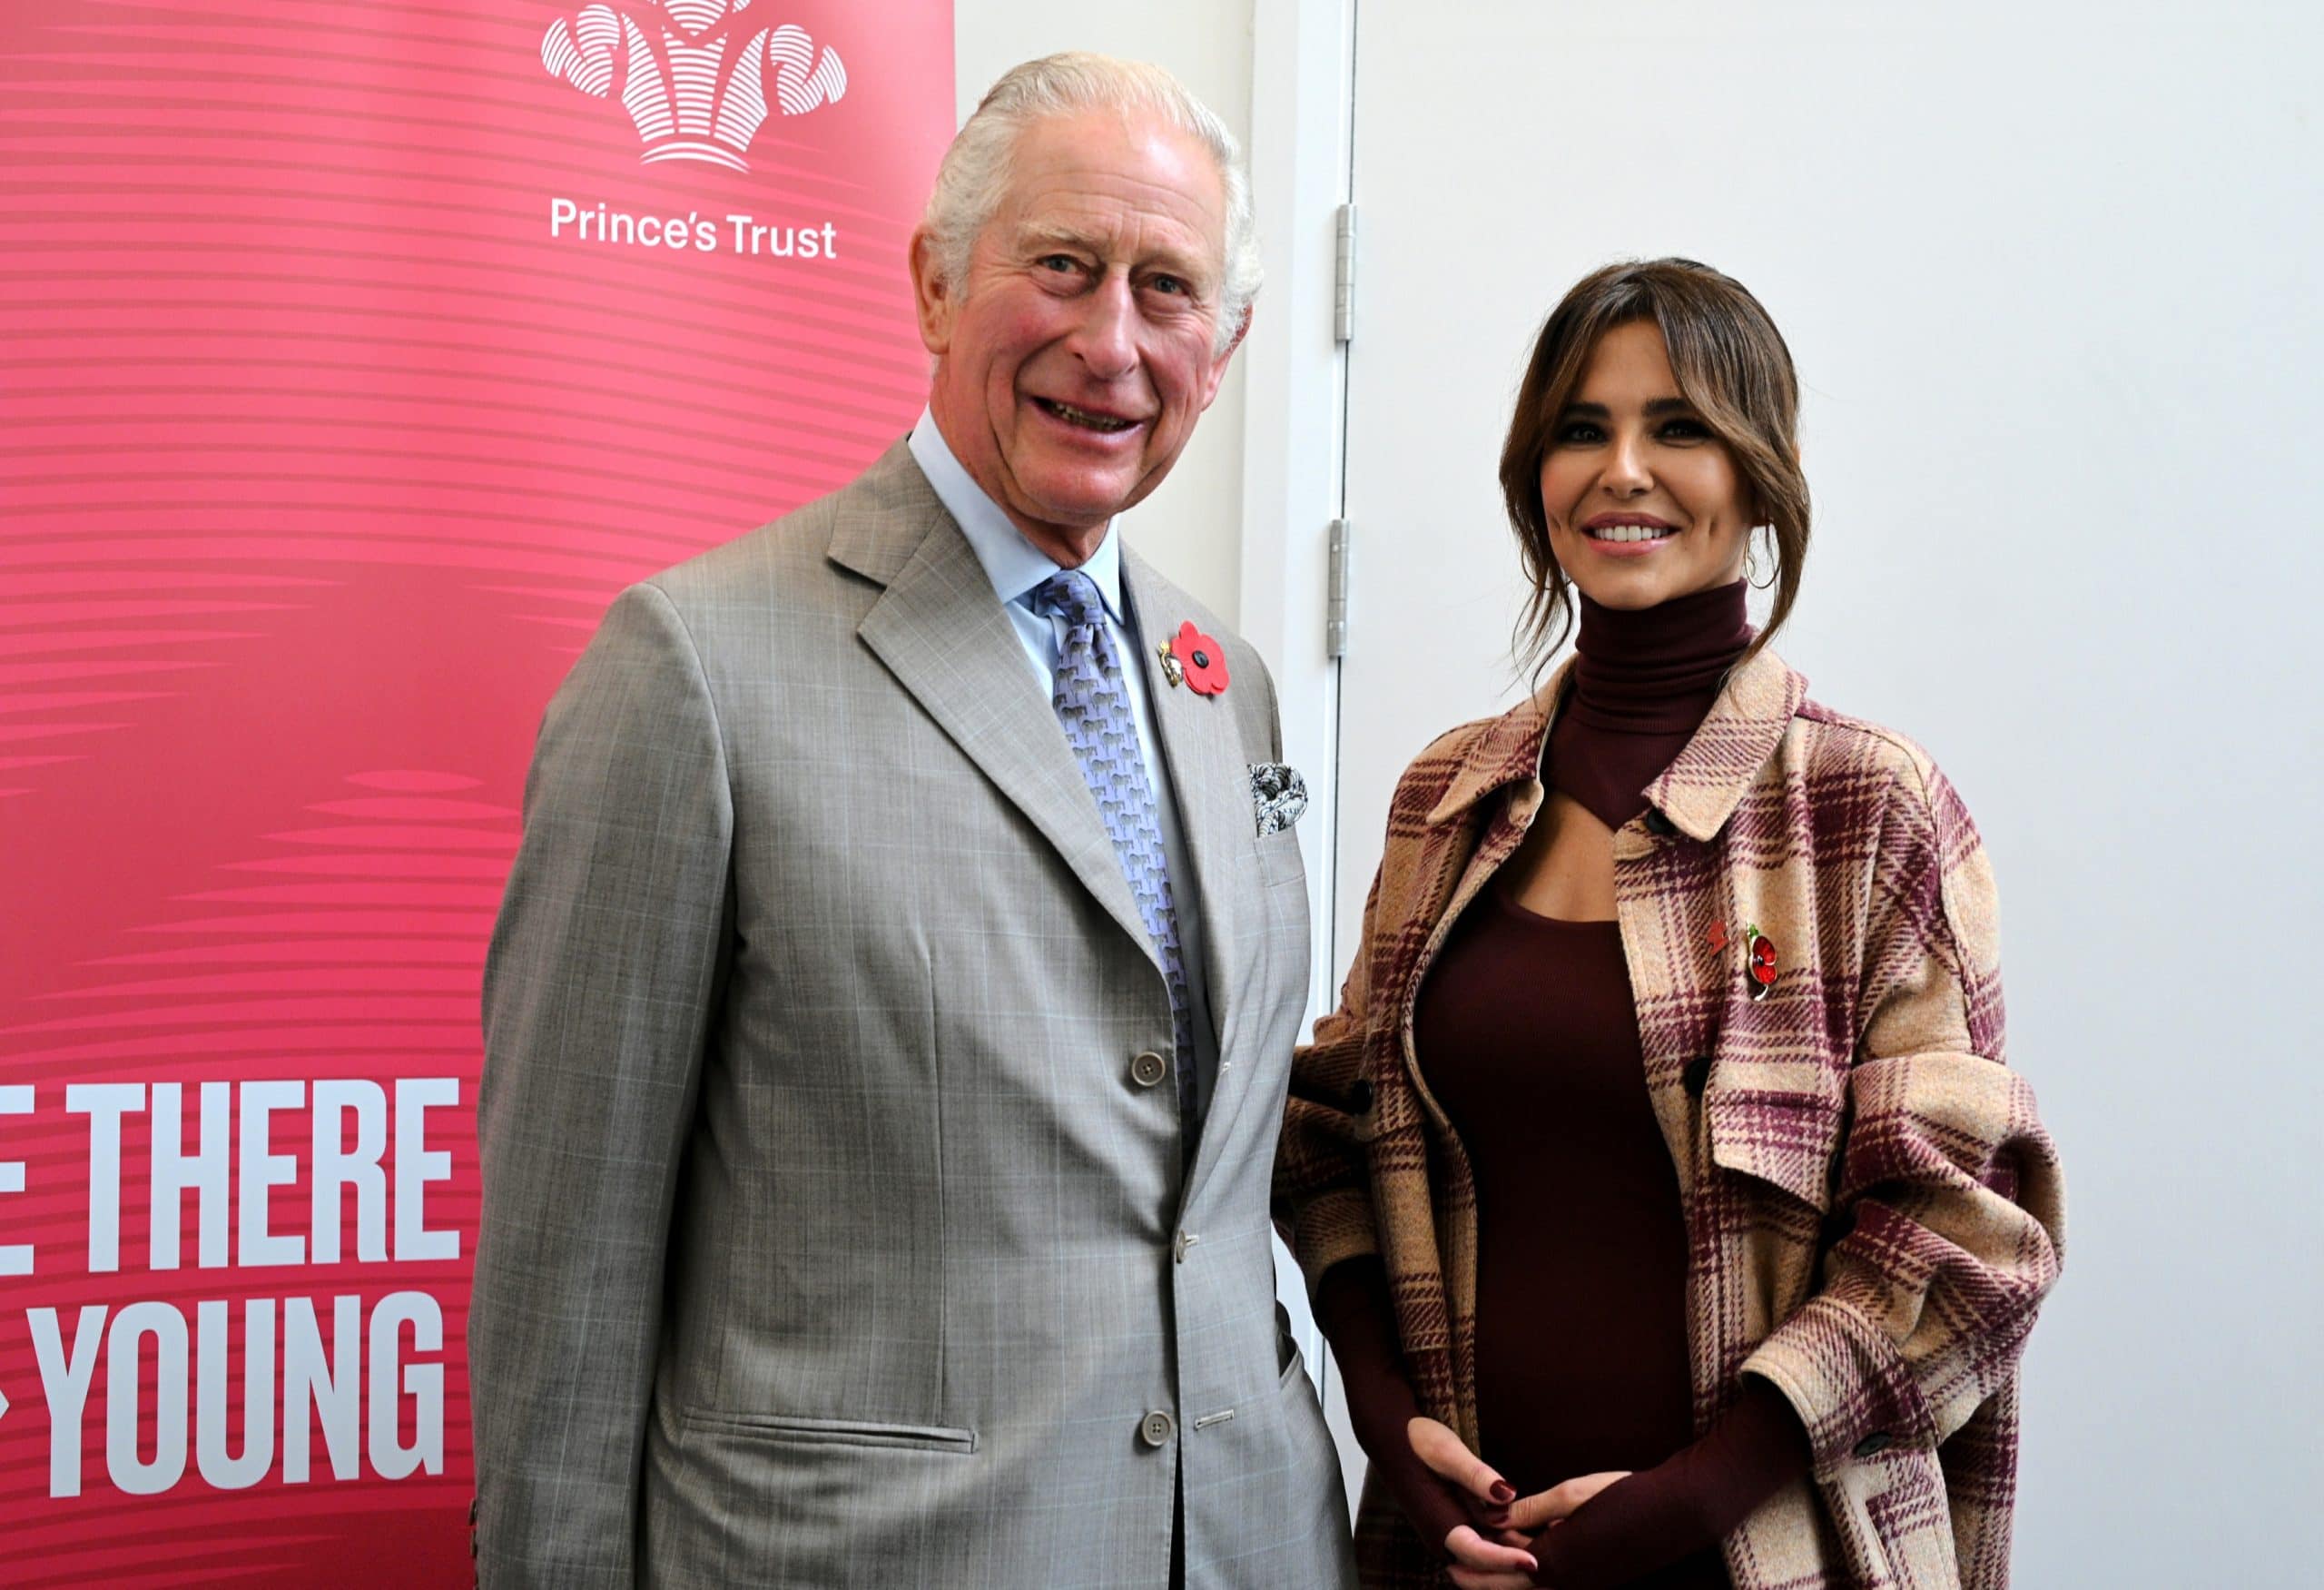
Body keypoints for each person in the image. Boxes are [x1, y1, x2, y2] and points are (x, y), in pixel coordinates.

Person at [470, 53, 1353, 1588]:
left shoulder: (1234, 690)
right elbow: (570, 1266)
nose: (1112, 342)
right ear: (938, 282)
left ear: (1230, 347)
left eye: (1168, 290)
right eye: (1063, 268)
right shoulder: (696, 669)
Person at [1275, 259, 2065, 1590]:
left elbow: (1961, 1231)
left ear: (1765, 471)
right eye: (1582, 429)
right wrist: (1383, 1423)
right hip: (1460, 1560)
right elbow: (1331, 1139)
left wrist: (1691, 1500)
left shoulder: (1869, 808)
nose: (1623, 469)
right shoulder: (1446, 799)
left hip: (1772, 1558)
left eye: (1679, 426)